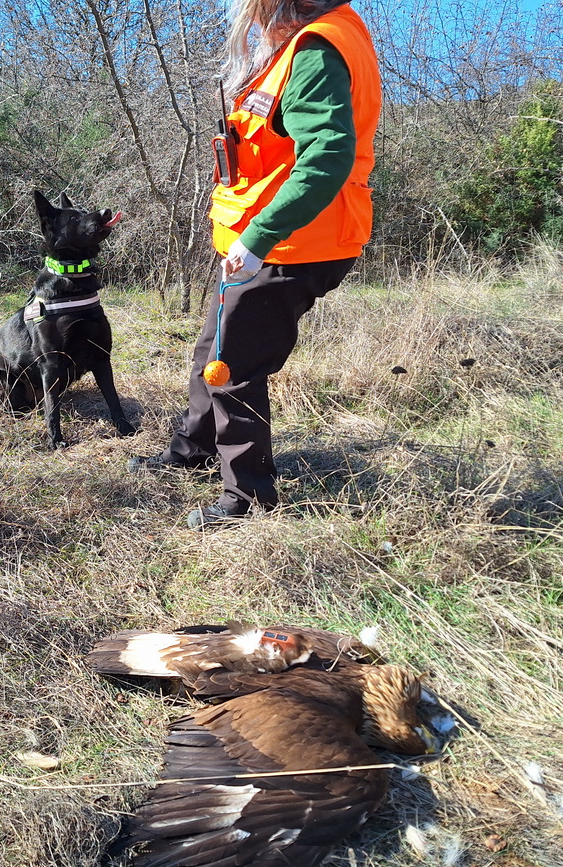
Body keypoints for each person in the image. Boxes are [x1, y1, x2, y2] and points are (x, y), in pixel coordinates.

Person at [129, 0, 381, 529]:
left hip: (292, 243)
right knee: (213, 349)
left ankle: (247, 500)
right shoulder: (312, 39)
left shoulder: (315, 50)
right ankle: (194, 449)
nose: (253, 21)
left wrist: (261, 236)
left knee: (234, 368)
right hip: (278, 239)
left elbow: (328, 155)